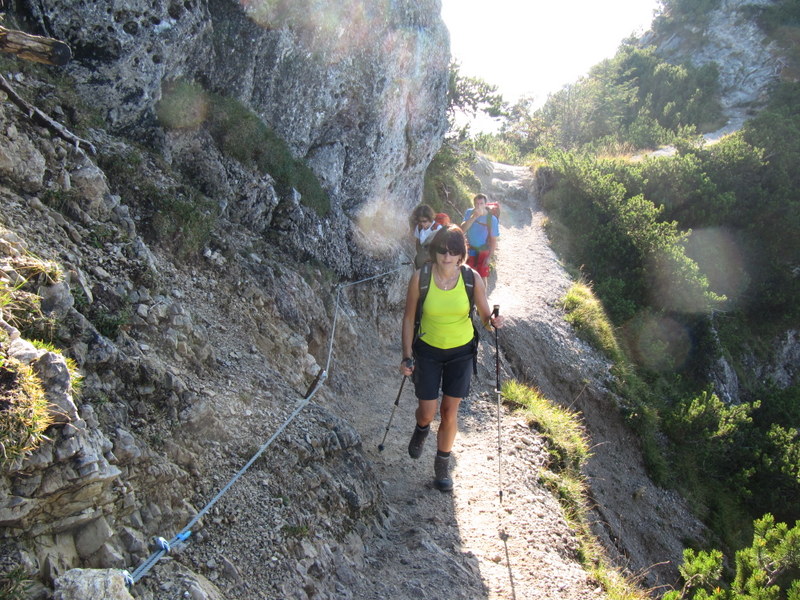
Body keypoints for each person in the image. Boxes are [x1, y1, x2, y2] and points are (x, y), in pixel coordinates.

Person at [400, 225, 504, 491]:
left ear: (461, 254)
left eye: (453, 251)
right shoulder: (420, 278)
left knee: (449, 411)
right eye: (442, 250)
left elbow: (485, 317)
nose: (447, 256)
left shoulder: (472, 279)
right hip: (428, 351)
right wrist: (407, 355)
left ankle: (442, 466)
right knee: (427, 412)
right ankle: (422, 428)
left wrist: (493, 322)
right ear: (434, 251)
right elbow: (409, 318)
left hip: (461, 352)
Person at [460, 193, 499, 279]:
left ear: (485, 204)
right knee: (467, 275)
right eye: (477, 204)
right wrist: (474, 217)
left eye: (481, 203)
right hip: (469, 249)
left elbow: (493, 240)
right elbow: (462, 230)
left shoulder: (492, 219)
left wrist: (489, 257)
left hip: (483, 251)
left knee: (482, 277)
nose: (479, 206)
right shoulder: (469, 212)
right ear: (474, 204)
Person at [409, 204, 442, 269]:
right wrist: (420, 255)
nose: (422, 223)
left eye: (424, 221)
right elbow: (418, 242)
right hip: (422, 260)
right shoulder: (419, 227)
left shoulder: (438, 228)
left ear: (430, 218)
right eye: (420, 221)